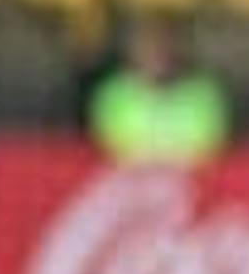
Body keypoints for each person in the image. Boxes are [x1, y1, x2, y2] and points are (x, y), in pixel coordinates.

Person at [89, 12, 230, 165]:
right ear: (134, 49)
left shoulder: (203, 93)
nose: (156, 53)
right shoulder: (113, 93)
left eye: (164, 45)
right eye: (148, 45)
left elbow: (210, 149)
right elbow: (105, 147)